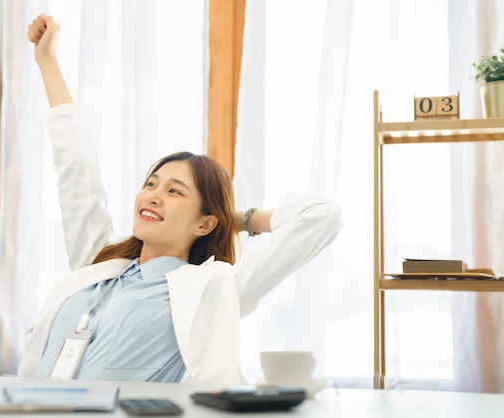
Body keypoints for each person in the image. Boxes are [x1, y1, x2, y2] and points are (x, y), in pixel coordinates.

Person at [19, 13, 343, 386]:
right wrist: (46, 60)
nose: (154, 195)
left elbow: (324, 218)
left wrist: (236, 218)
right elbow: (77, 168)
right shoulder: (100, 262)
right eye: (152, 184)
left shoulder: (213, 289)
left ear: (205, 223)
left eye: (174, 191)